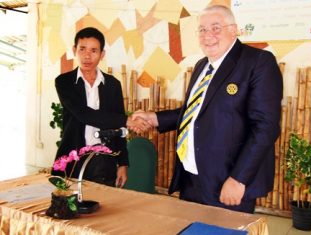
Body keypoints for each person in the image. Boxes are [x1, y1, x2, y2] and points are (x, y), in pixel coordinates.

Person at [130, 5, 283, 213]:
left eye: (216, 28)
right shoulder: (202, 66)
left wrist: (238, 178)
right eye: (202, 30)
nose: (207, 35)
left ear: (233, 29)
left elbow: (265, 127)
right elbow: (194, 113)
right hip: (191, 178)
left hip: (227, 181)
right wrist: (153, 117)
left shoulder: (258, 62)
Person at [51, 27, 148, 188]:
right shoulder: (64, 82)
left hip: (105, 161)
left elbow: (118, 128)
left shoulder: (112, 85)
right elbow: (84, 114)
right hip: (72, 160)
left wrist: (123, 164)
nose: (87, 55)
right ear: (75, 50)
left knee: (105, 209)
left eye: (93, 50)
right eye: (82, 49)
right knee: (69, 208)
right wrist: (127, 120)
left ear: (102, 54)